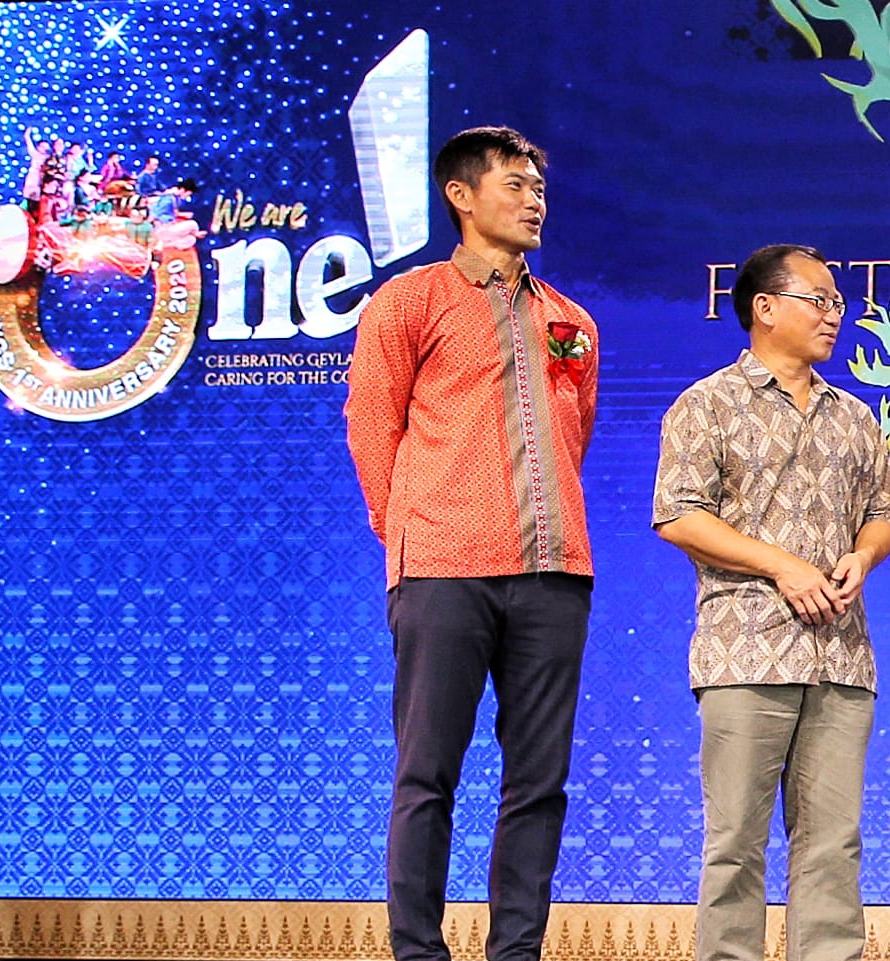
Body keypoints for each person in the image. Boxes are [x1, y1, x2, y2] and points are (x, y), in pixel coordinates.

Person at [344, 126, 599, 961]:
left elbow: (576, 433)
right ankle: (417, 949)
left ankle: (515, 950)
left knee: (539, 781)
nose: (534, 201)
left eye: (539, 189)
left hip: (554, 572)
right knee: (427, 775)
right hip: (444, 571)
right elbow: (372, 426)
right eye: (516, 185)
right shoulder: (409, 301)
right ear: (461, 195)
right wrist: (413, 529)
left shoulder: (570, 319)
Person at [653, 243, 890, 961]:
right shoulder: (707, 404)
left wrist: (863, 552)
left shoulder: (854, 415)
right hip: (745, 650)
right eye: (818, 299)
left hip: (842, 658)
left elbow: (884, 511)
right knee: (734, 840)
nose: (834, 314)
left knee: (833, 841)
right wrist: (781, 565)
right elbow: (677, 514)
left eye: (837, 302)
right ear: (764, 308)